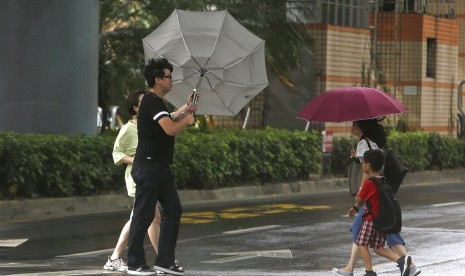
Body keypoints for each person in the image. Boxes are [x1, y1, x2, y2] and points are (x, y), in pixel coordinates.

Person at [127, 58, 197, 276]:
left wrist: (186, 108)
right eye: (169, 76)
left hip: (159, 167)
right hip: (149, 167)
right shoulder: (151, 100)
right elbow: (169, 128)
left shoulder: (156, 102)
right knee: (144, 215)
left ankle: (164, 262)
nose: (171, 80)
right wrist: (187, 121)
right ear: (158, 79)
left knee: (173, 210)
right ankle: (135, 263)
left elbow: (168, 119)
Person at [332, 119, 421, 276]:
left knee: (362, 234)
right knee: (382, 236)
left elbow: (367, 175)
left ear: (361, 127)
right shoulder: (375, 143)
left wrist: (359, 197)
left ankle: (366, 270)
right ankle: (351, 268)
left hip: (372, 199)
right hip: (382, 192)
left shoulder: (362, 144)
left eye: (355, 124)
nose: (352, 126)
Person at [103, 90, 161, 272]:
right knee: (149, 217)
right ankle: (163, 259)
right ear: (135, 108)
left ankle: (114, 257)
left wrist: (186, 109)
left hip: (149, 175)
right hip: (138, 176)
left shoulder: (150, 124)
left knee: (144, 217)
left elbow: (171, 117)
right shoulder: (128, 128)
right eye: (144, 102)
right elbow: (117, 153)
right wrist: (138, 160)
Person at [349, 149, 410, 276]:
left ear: (368, 165)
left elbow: (359, 199)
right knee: (378, 248)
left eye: (363, 162)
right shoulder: (383, 179)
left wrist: (355, 207)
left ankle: (369, 272)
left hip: (371, 220)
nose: (362, 165)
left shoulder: (369, 183)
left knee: (361, 243)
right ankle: (402, 261)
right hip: (381, 221)